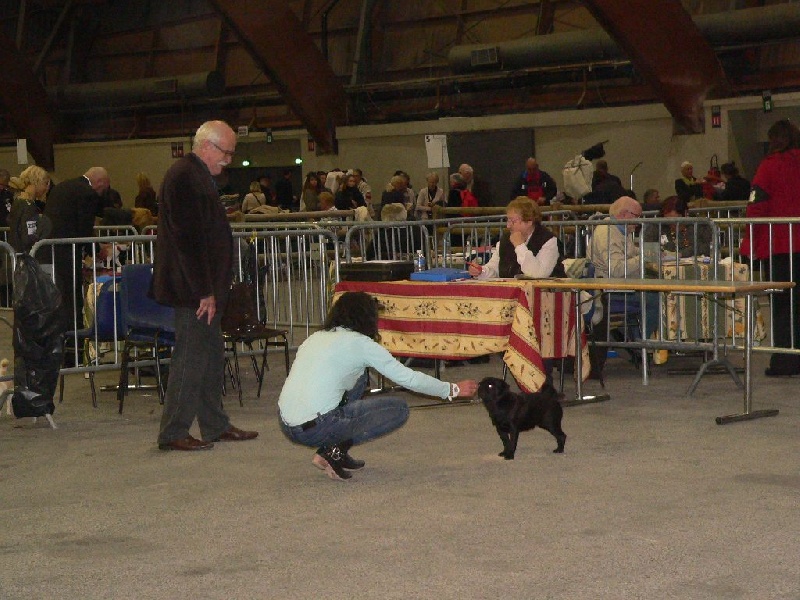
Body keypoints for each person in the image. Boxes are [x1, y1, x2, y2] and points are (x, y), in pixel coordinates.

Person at [278, 291, 478, 481]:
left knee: (358, 379)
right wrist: (452, 389)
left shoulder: (316, 337)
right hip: (318, 427)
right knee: (398, 409)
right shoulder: (361, 344)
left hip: (286, 423)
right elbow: (408, 379)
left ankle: (331, 451)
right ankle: (333, 452)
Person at [151, 120, 258, 451]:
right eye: (226, 153)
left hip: (203, 286)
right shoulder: (185, 176)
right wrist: (204, 291)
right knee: (191, 358)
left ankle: (214, 424)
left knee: (211, 356)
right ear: (207, 146)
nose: (228, 160)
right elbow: (188, 240)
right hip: (193, 290)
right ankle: (173, 431)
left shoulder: (197, 175)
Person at [740, 119, 800, 377]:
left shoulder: (770, 166)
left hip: (781, 246)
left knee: (783, 305)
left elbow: (757, 207)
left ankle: (786, 360)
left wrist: (748, 244)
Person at [588, 196, 659, 377]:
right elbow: (617, 269)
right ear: (624, 214)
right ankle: (636, 343)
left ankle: (631, 339)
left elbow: (633, 252)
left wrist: (658, 253)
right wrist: (645, 257)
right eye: (637, 216)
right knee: (655, 299)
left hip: (617, 285)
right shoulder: (608, 233)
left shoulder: (621, 230)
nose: (639, 221)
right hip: (607, 290)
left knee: (654, 293)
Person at [45, 166, 110, 330]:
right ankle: (75, 333)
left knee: (57, 295)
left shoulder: (61, 187)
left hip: (49, 249)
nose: (102, 193)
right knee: (71, 296)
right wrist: (96, 250)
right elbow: (84, 229)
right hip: (67, 251)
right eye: (103, 188)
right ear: (99, 182)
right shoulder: (87, 193)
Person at [468, 196, 565, 279]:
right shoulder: (505, 240)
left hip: (546, 296)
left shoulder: (549, 241)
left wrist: (519, 246)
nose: (508, 226)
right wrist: (481, 271)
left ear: (529, 221)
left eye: (512, 221)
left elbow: (538, 274)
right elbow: (494, 269)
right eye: (508, 220)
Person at [642, 195, 712, 257]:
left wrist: (681, 254)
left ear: (685, 214)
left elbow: (707, 247)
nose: (671, 224)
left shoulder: (701, 225)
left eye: (675, 220)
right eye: (667, 220)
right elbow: (648, 248)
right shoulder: (656, 226)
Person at [8, 165, 51, 254]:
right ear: (36, 181)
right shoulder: (28, 206)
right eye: (45, 184)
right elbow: (28, 237)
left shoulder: (18, 201)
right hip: (24, 255)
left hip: (16, 252)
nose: (47, 188)